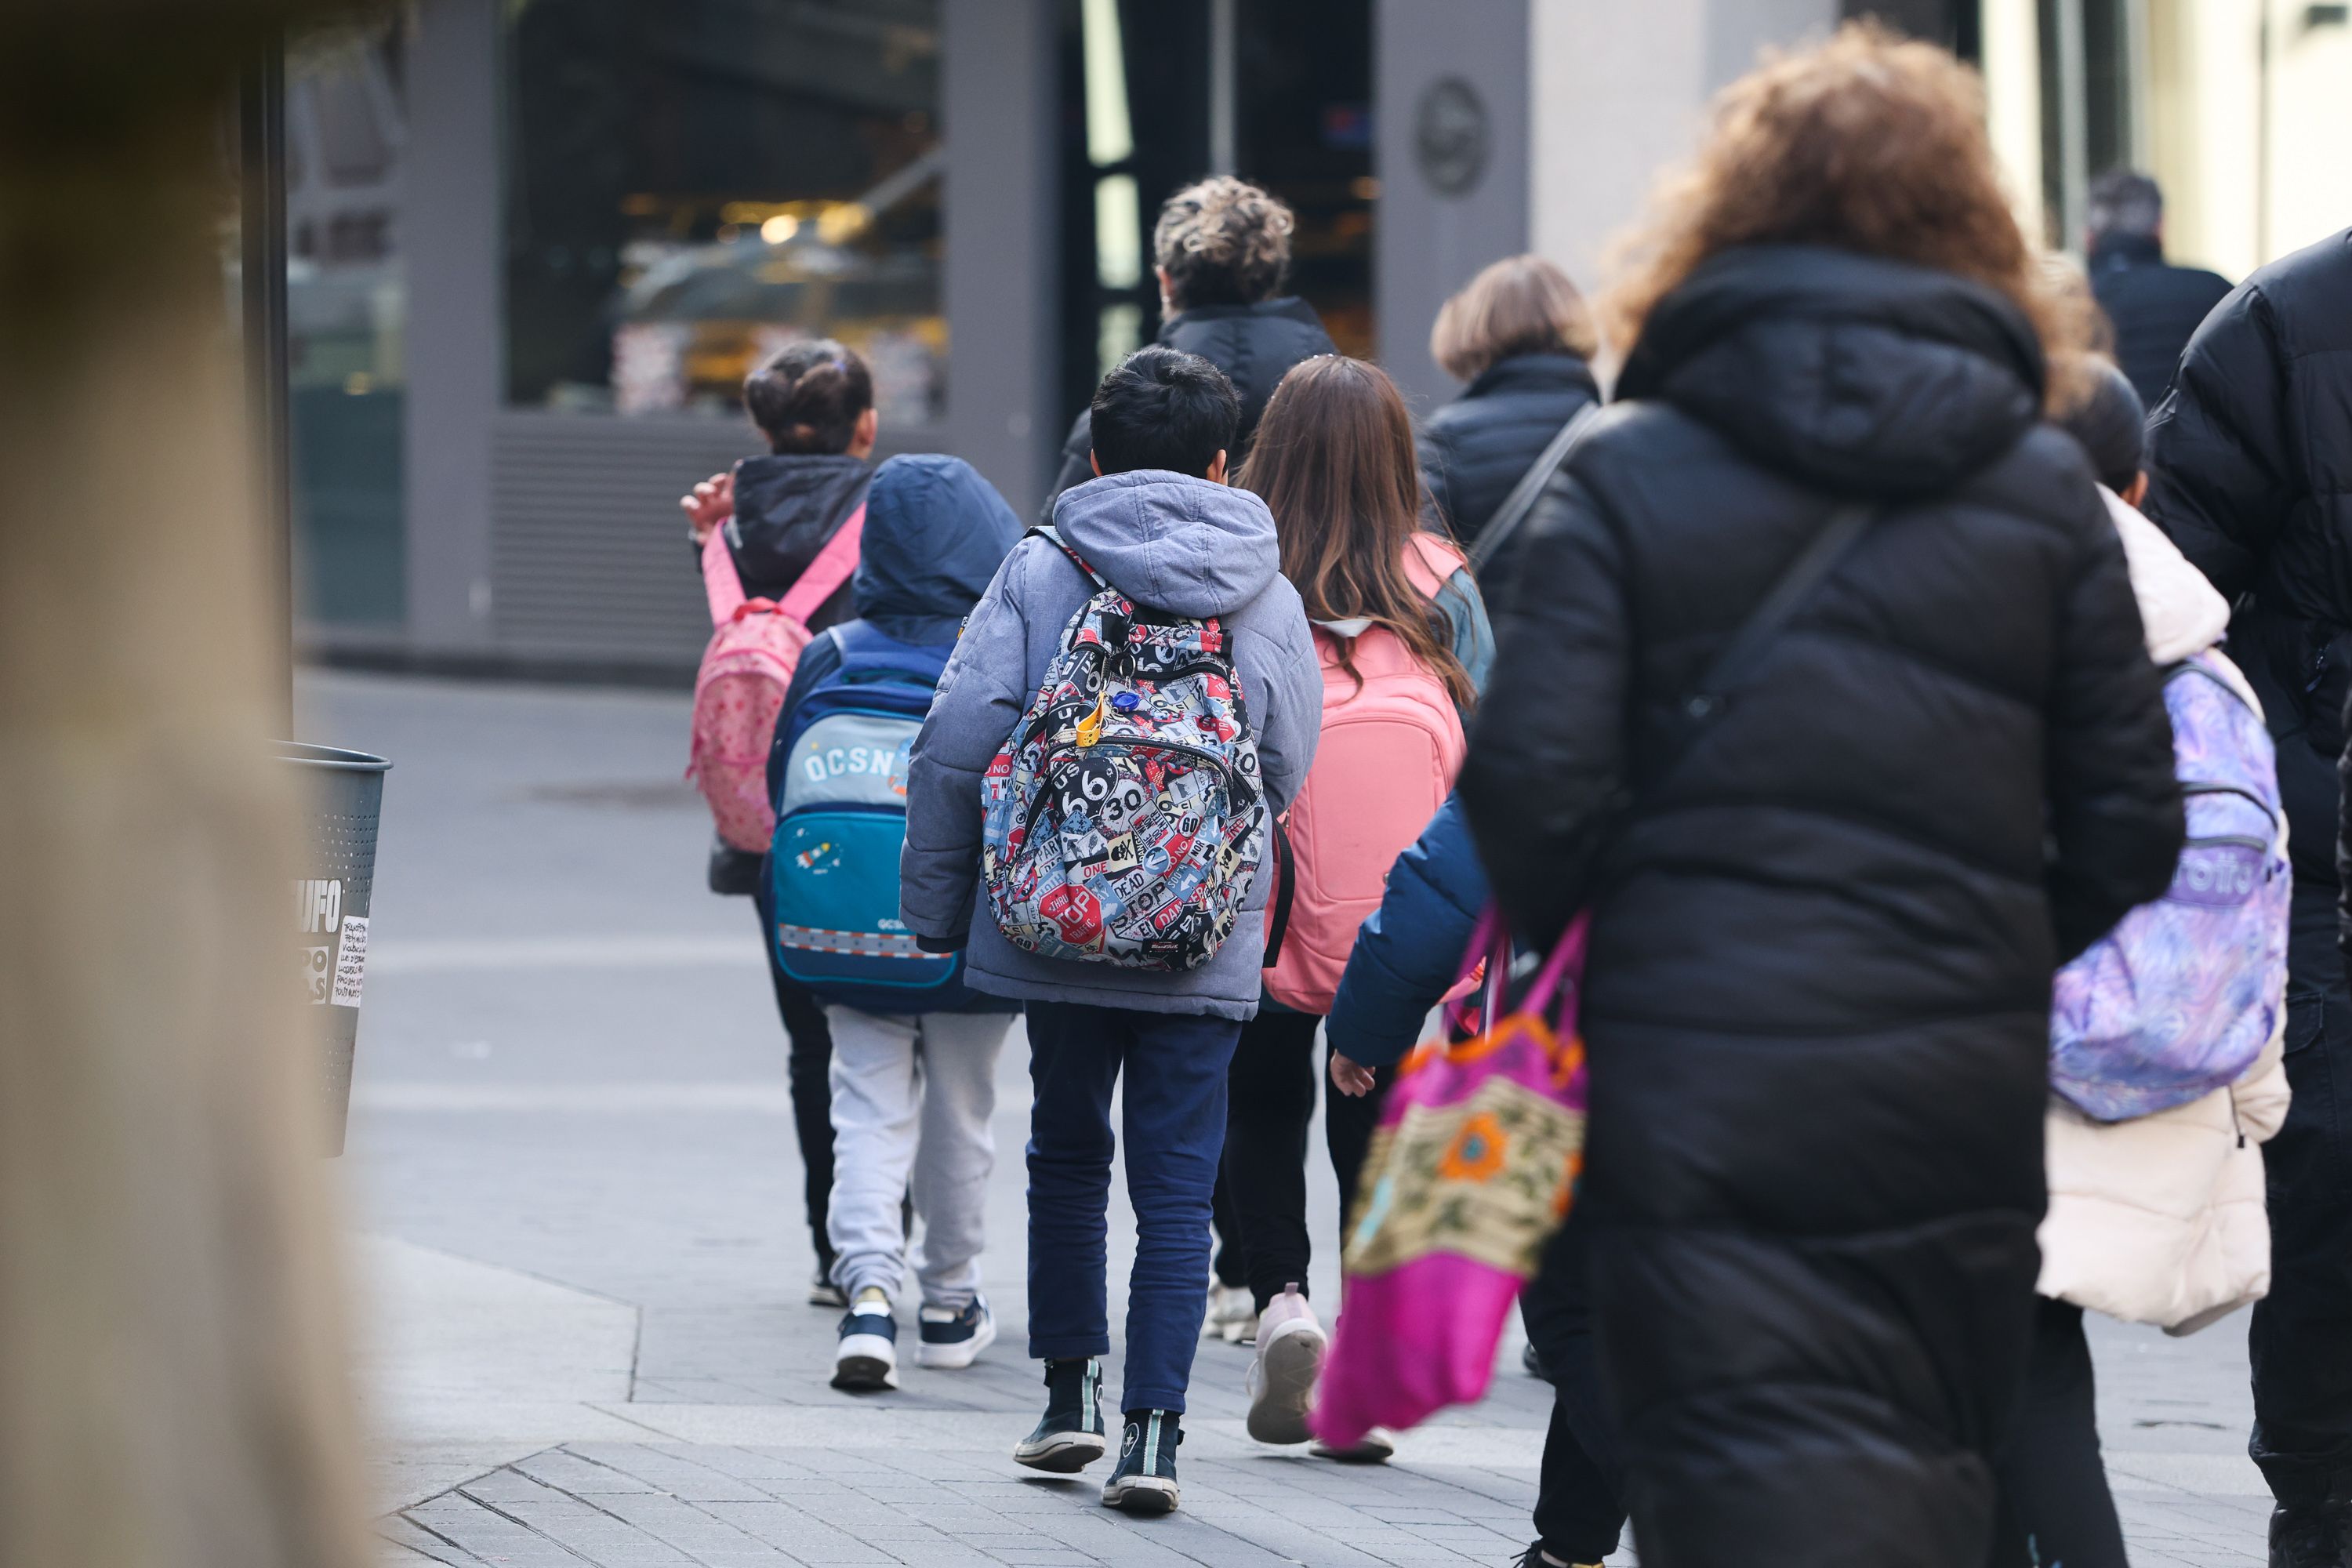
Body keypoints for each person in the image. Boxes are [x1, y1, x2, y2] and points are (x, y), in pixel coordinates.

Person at [1454, 26, 2185, 1566]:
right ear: (1973, 226)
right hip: (1950, 1095)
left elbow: (1522, 795)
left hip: (1689, 1081)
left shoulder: (1630, 472)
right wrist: (1977, 942)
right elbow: (2132, 822)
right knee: (1923, 1472)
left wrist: (1650, 930)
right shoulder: (2046, 490)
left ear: (1726, 220)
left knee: (1722, 1475)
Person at [901, 345, 1321, 1515]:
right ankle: (1154, 1437)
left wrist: (938, 908)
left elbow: (954, 738)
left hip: (1057, 921)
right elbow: (1283, 762)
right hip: (1202, 929)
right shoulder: (1264, 590)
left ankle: (1069, 1399)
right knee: (1180, 1192)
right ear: (1224, 462)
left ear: (1093, 456)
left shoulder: (1045, 569)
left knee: (1070, 1156)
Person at [1987, 359, 2292, 1568]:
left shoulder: (1974, 625)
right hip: (2155, 1081)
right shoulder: (2204, 664)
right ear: (2141, 482)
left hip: (1981, 1069)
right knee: (2035, 1383)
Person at [1213, 354, 1490, 1454]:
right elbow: (1495, 762)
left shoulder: (1238, 567)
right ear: (1396, 457)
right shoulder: (1445, 580)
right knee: (1374, 1109)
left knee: (1261, 1100)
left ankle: (1281, 1297)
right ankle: (1366, 1365)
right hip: (1404, 917)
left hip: (1260, 902)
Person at [2140, 223, 2352, 1565]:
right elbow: (2169, 609)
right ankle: (2322, 1506)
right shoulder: (2286, 322)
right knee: (2329, 1204)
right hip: (2327, 872)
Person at [760, 453, 1026, 1394]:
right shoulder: (997, 653)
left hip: (846, 934)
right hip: (965, 932)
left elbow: (775, 783)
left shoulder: (827, 654)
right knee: (963, 1111)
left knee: (865, 1107)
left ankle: (867, 1290)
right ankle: (950, 1300)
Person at [1327, 797, 1626, 1568]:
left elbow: (1441, 894)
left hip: (1575, 1060)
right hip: (1761, 1068)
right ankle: (1571, 1546)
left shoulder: (1564, 722)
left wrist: (1365, 1030)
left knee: (1573, 1309)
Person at [677, 340, 878, 1309]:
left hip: (767, 827)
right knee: (889, 1028)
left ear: (760, 429)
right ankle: (891, 1233)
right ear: (867, 427)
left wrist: (705, 542)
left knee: (810, 1045)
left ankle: (831, 1245)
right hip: (871, 805)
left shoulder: (724, 524)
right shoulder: (896, 513)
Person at [1038, 176, 1336, 519]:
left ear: (1166, 281)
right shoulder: (1353, 396)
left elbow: (1059, 536)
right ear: (1271, 277)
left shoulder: (1123, 406)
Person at [1417, 254, 1603, 562]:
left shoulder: (1450, 435)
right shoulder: (1612, 426)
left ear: (1477, 326)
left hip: (1490, 610)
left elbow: (1426, 566)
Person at [2085, 169, 2233, 408]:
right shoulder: (2216, 292)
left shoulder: (2074, 304)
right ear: (2159, 228)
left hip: (2110, 444)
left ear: (2088, 238)